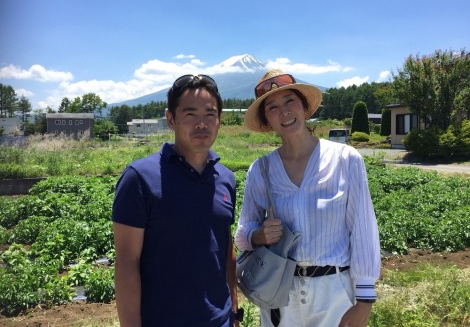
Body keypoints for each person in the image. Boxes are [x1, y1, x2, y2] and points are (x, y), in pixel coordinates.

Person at [234, 69, 381, 327]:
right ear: (267, 120)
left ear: (304, 107)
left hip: (334, 292)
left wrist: (364, 301)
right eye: (273, 107)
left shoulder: (345, 159)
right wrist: (258, 235)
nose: (284, 112)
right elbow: (243, 233)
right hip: (280, 292)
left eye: (290, 101)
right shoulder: (262, 169)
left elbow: (363, 229)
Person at [112, 74, 240, 327]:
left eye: (210, 114)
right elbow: (127, 262)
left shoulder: (226, 178)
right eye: (190, 114)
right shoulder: (140, 178)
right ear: (171, 119)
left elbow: (225, 251)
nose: (201, 124)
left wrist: (235, 312)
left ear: (219, 121)